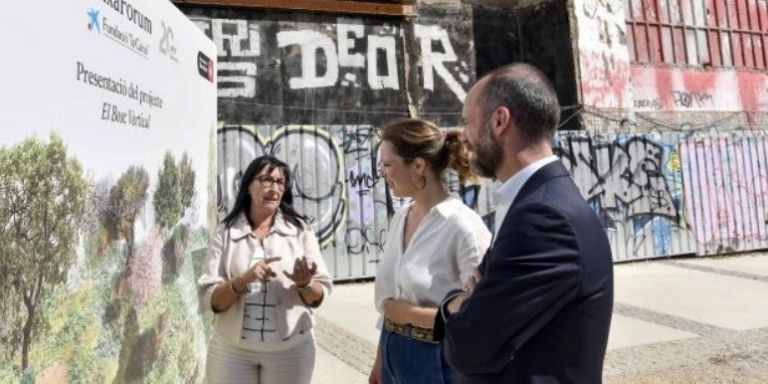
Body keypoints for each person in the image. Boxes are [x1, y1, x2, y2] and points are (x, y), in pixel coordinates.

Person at [433, 63, 614, 383]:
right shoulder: (536, 200)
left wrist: (454, 307)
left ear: (500, 121)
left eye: (467, 122)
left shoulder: (543, 217)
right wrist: (471, 304)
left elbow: (469, 346)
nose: (464, 137)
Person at [370, 118, 492, 384]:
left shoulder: (463, 226)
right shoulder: (401, 217)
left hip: (435, 361)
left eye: (388, 165)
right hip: (393, 352)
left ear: (417, 166)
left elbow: (482, 315)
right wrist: (380, 361)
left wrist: (411, 315)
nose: (383, 174)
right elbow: (393, 301)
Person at [198, 155, 332, 384]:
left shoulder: (300, 231)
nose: (274, 188)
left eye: (280, 182)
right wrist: (242, 280)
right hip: (232, 351)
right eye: (267, 180)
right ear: (248, 185)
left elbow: (320, 294)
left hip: (291, 351)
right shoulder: (226, 232)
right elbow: (210, 301)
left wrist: (305, 284)